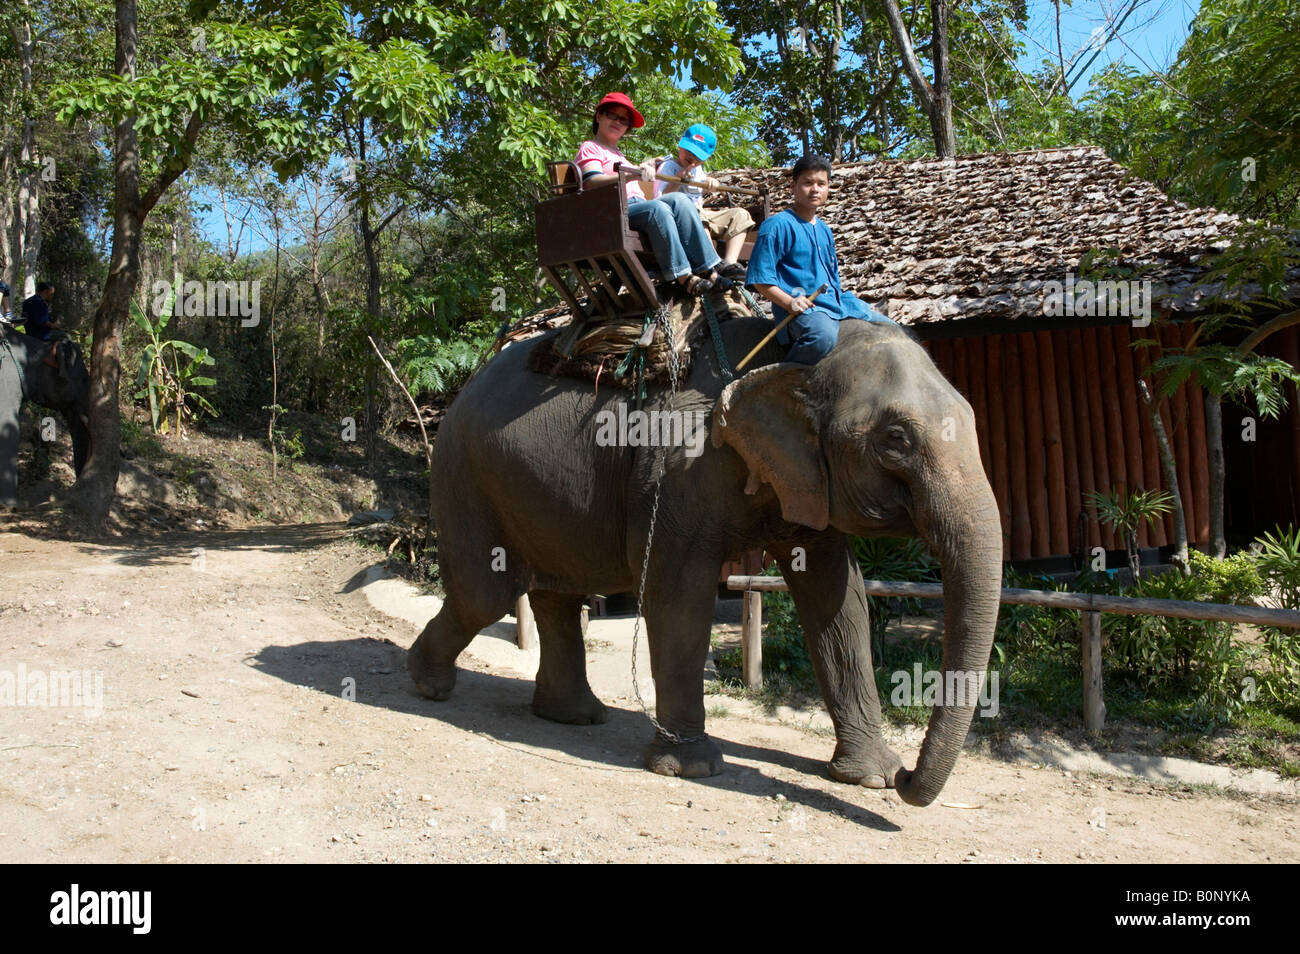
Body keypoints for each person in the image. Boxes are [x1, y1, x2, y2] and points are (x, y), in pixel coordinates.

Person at [745, 154, 895, 364]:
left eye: (821, 184)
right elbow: (760, 279)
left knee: (894, 330)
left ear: (828, 188)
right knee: (821, 338)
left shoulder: (825, 230)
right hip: (806, 309)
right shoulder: (776, 226)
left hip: (839, 303)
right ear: (793, 186)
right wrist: (789, 302)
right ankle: (787, 383)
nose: (815, 189)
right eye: (807, 183)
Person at [575, 93, 726, 295]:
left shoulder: (619, 155)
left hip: (635, 205)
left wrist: (645, 166)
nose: (618, 122)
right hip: (612, 211)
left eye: (624, 120)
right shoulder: (590, 148)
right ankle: (683, 276)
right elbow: (592, 181)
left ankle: (709, 268)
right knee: (658, 208)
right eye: (612, 115)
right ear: (599, 116)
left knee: (680, 199)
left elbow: (638, 180)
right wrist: (631, 175)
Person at [654, 123, 752, 279]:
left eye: (698, 155)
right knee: (698, 213)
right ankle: (712, 261)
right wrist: (678, 180)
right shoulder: (668, 167)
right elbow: (660, 199)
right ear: (680, 146)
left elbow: (702, 185)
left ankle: (729, 263)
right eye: (689, 150)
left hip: (703, 215)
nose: (692, 157)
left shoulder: (698, 170)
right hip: (680, 219)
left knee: (741, 215)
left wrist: (711, 184)